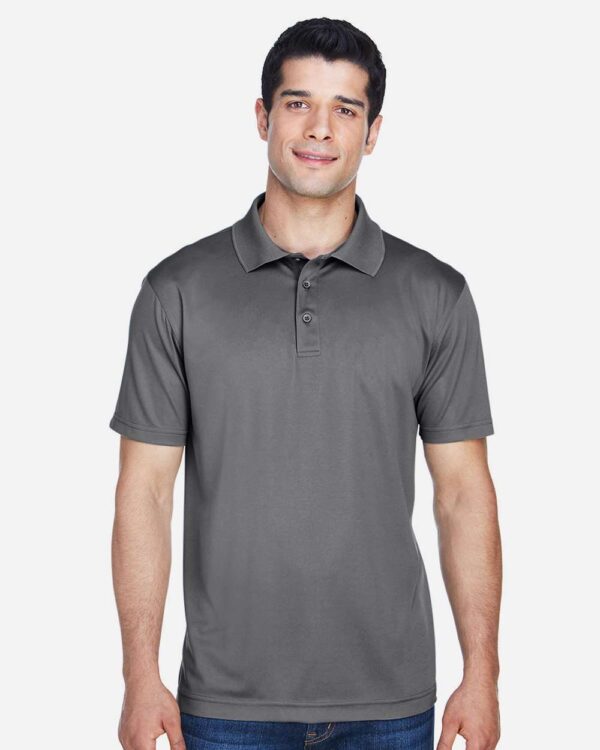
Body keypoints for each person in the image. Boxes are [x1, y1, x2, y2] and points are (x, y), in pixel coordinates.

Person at [109, 17, 502, 750]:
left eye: (345, 109)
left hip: (390, 704)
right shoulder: (177, 291)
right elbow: (145, 492)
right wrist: (140, 675)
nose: (320, 128)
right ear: (263, 117)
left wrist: (482, 674)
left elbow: (463, 494)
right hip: (223, 706)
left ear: (372, 132)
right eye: (298, 103)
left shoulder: (436, 294)